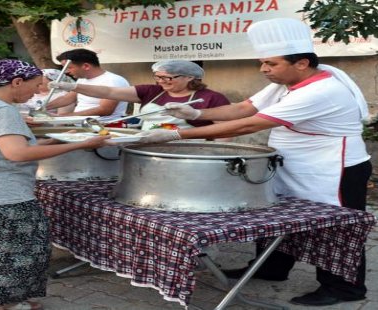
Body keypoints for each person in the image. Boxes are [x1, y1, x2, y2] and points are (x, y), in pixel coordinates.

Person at [137, 18, 371, 306]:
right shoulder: (284, 83)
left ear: (301, 63)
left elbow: (248, 125)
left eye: (271, 63)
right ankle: (271, 269)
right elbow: (243, 108)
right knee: (279, 217)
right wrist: (195, 114)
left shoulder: (321, 90)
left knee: (334, 226)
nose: (263, 69)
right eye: (262, 62)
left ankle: (344, 288)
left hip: (334, 170)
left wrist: (176, 134)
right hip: (295, 163)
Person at [0, 59, 109, 310]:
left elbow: (3, 149)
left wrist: (61, 140)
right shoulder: (0, 110)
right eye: (35, 86)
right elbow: (16, 154)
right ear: (16, 82)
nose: (37, 92)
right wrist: (82, 145)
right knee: (18, 251)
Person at [49, 60, 230, 130]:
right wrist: (73, 87)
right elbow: (110, 91)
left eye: (167, 78)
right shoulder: (151, 91)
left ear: (190, 77)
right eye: (157, 77)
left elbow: (226, 130)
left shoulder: (212, 98)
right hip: (146, 148)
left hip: (190, 152)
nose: (161, 82)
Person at [45, 48, 130, 122]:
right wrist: (42, 107)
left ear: (86, 66)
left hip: (105, 127)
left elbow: (105, 110)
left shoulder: (113, 81)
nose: (66, 72)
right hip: (82, 126)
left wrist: (64, 117)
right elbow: (68, 98)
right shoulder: (82, 79)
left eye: (69, 67)